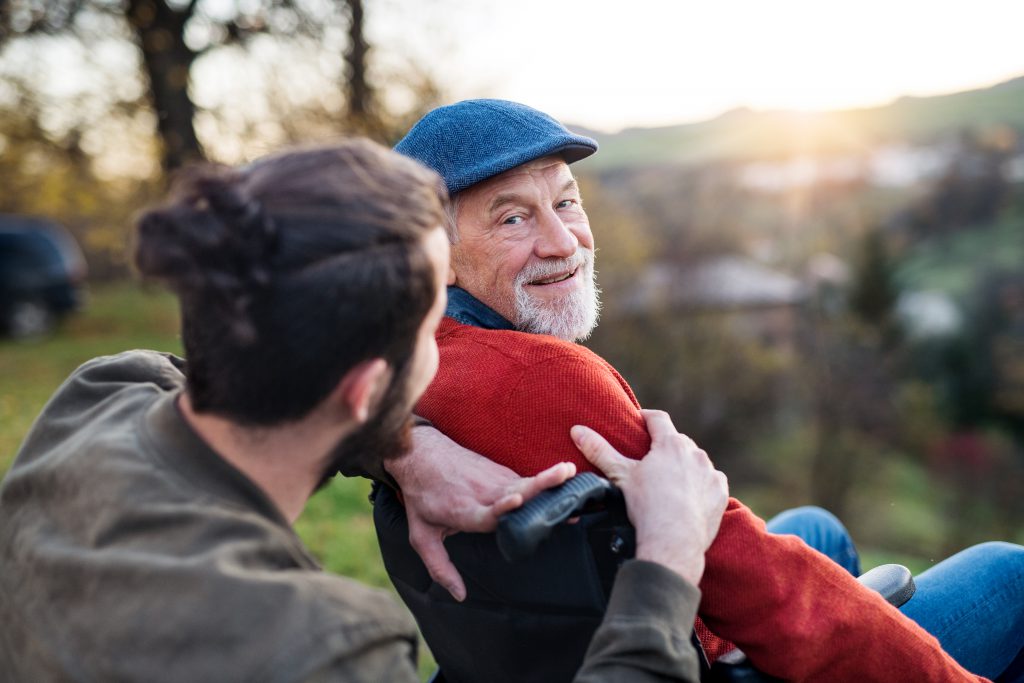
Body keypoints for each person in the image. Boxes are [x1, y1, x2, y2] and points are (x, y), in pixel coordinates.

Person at [0, 140, 730, 682]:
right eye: (428, 330)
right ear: (362, 385)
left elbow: (198, 378)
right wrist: (667, 562)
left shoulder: (99, 396)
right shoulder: (321, 649)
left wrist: (404, 446)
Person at [382, 99, 1024, 682]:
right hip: (676, 659)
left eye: (567, 202)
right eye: (514, 217)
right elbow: (767, 590)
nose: (563, 242)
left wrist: (403, 446)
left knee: (816, 526)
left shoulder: (392, 363)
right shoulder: (545, 381)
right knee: (1009, 572)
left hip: (551, 648)